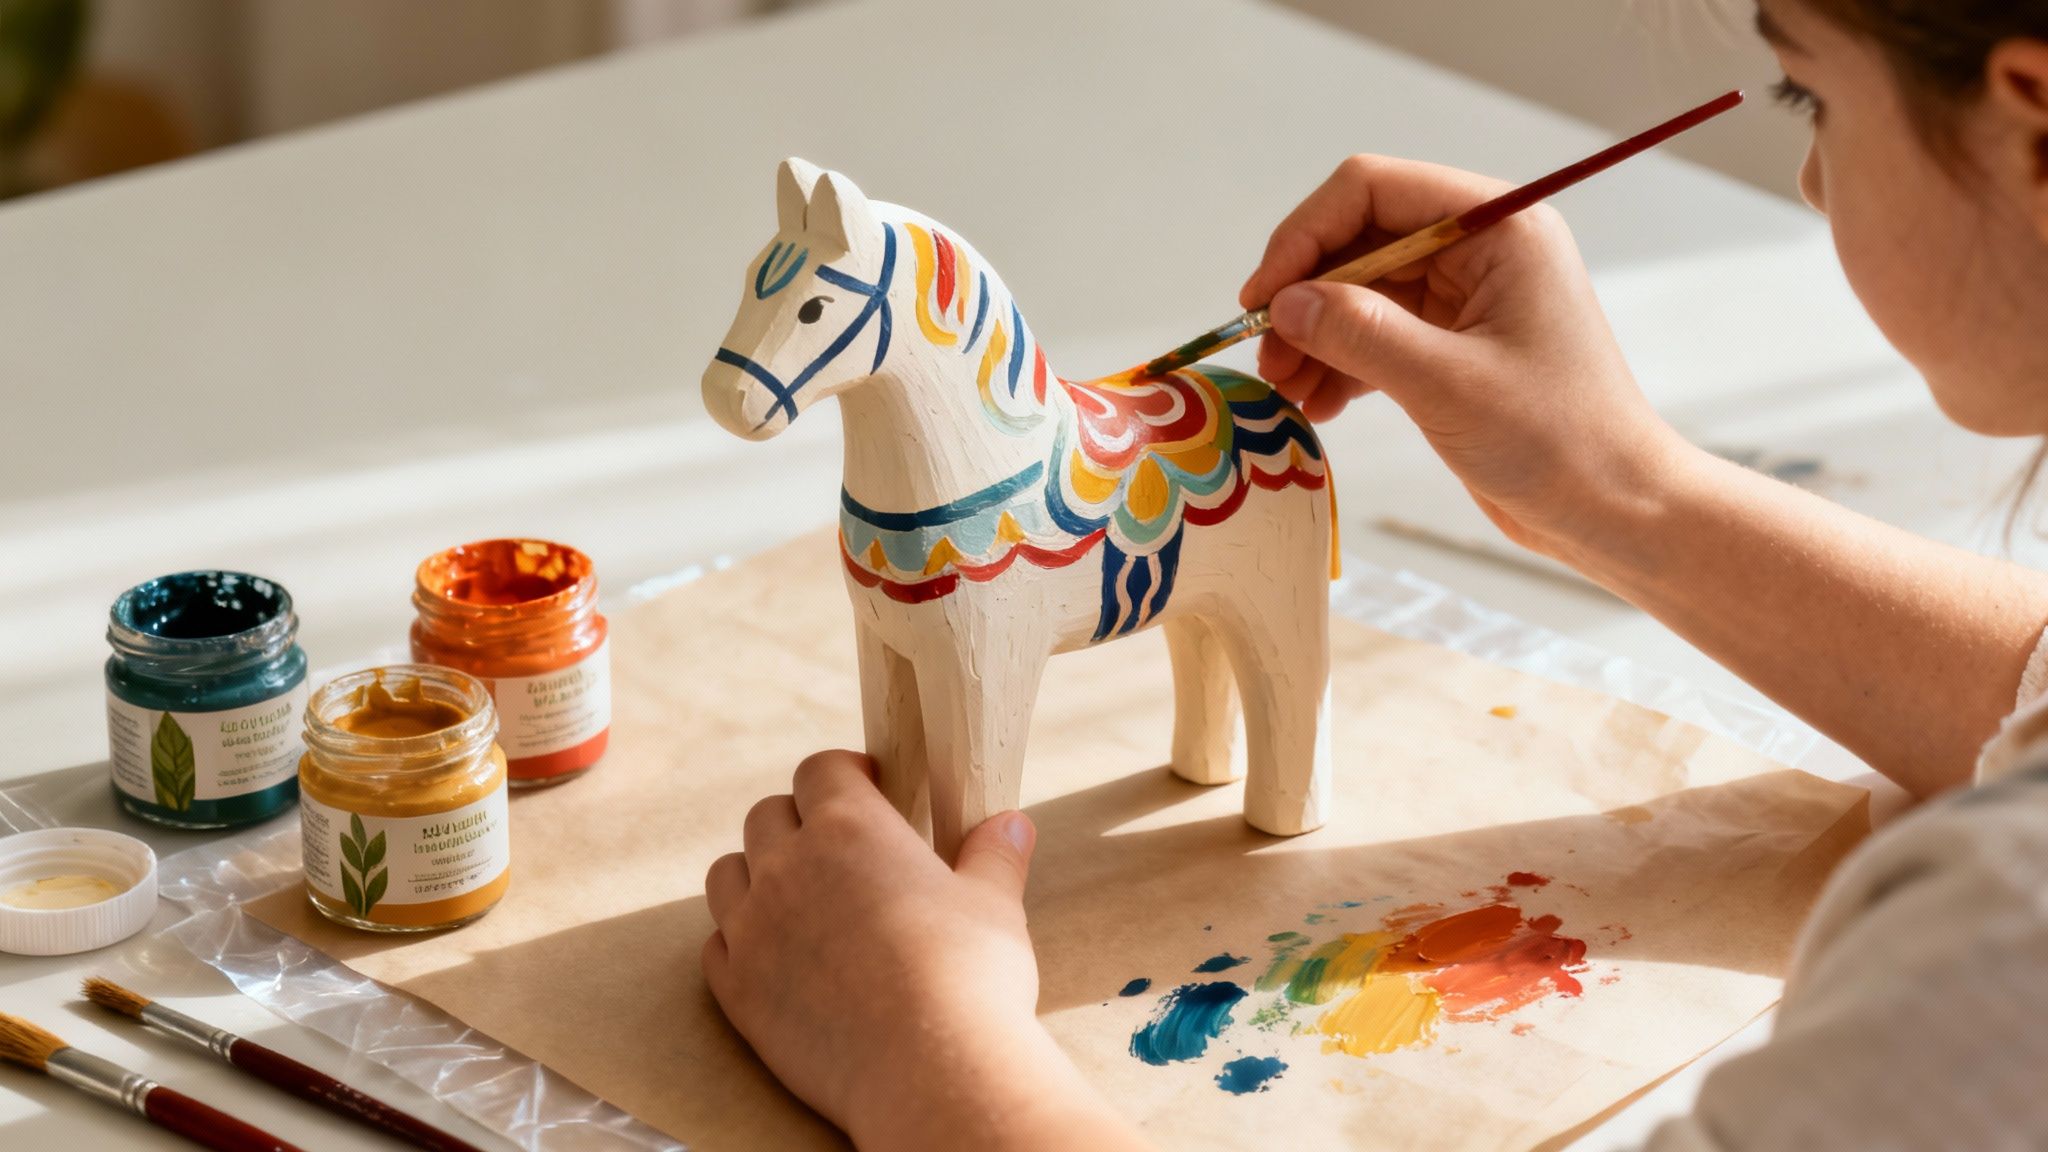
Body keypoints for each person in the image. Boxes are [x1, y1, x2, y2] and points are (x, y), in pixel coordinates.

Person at [699, 1, 2048, 1147]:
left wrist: (938, 1078)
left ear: (2034, 116)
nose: (1807, 180)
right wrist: (1616, 485)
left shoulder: (1991, 958)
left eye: (1806, 91)